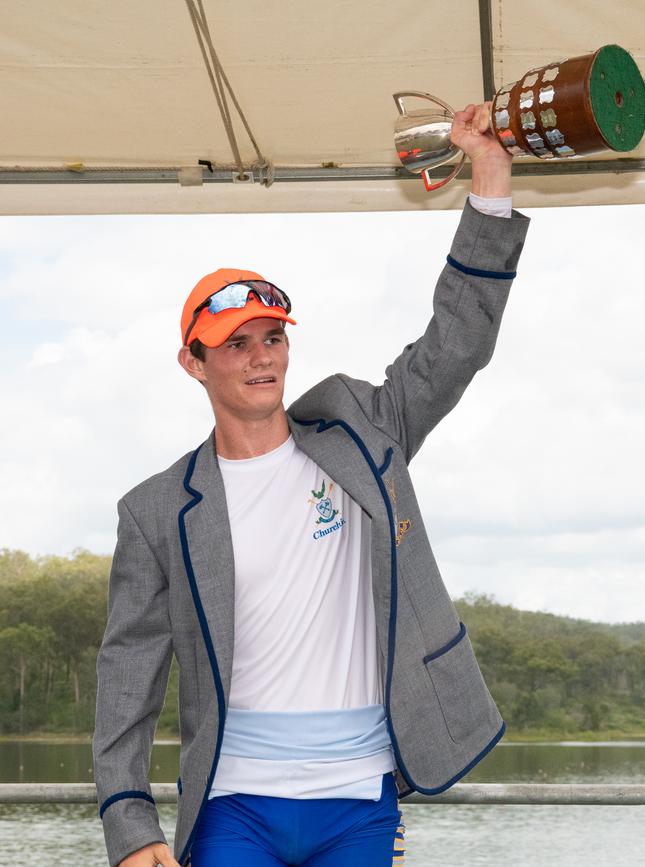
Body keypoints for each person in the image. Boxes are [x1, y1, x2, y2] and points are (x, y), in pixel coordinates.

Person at [92, 101, 530, 867]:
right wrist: (131, 826)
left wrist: (491, 174)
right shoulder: (157, 509)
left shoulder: (362, 432)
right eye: (235, 344)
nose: (262, 357)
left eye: (272, 337)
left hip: (359, 799)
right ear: (193, 363)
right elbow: (128, 675)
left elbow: (455, 344)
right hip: (232, 806)